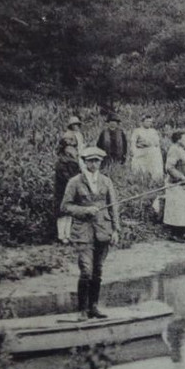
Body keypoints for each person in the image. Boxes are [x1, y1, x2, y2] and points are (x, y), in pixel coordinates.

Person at [59, 145, 120, 319]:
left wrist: (116, 230)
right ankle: (82, 310)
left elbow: (114, 206)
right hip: (83, 232)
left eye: (98, 161)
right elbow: (65, 206)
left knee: (98, 271)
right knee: (86, 271)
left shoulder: (106, 181)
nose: (95, 164)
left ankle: (94, 307)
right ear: (84, 162)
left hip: (103, 230)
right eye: (91, 161)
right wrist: (84, 210)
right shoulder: (74, 182)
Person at [53, 114, 84, 243]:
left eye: (73, 147)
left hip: (70, 188)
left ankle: (68, 234)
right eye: (69, 147)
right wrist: (73, 182)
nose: (72, 149)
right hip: (63, 188)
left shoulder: (74, 162)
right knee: (62, 211)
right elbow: (65, 177)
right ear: (64, 149)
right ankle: (61, 236)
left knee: (70, 210)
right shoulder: (61, 162)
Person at [162, 130, 185, 238]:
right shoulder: (174, 150)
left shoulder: (182, 150)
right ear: (178, 140)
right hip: (177, 185)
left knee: (184, 210)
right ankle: (175, 234)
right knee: (178, 210)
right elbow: (169, 167)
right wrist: (182, 178)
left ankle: (181, 232)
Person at [130, 114, 164, 183]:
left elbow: (157, 143)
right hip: (141, 152)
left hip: (152, 152)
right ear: (142, 122)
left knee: (154, 168)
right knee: (141, 169)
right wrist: (134, 152)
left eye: (150, 122)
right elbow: (133, 143)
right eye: (147, 121)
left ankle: (155, 181)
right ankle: (141, 182)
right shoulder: (137, 131)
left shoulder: (153, 131)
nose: (149, 123)